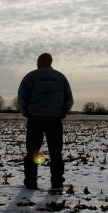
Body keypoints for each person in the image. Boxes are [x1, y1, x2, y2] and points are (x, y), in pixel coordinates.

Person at [17, 52, 74, 191]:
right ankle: (57, 184)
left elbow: (21, 97)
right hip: (54, 119)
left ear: (42, 61)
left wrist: (26, 112)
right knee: (55, 153)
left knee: (32, 152)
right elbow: (69, 100)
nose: (37, 63)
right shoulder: (61, 77)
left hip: (35, 119)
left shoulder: (30, 76)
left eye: (37, 60)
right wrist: (62, 113)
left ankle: (30, 183)